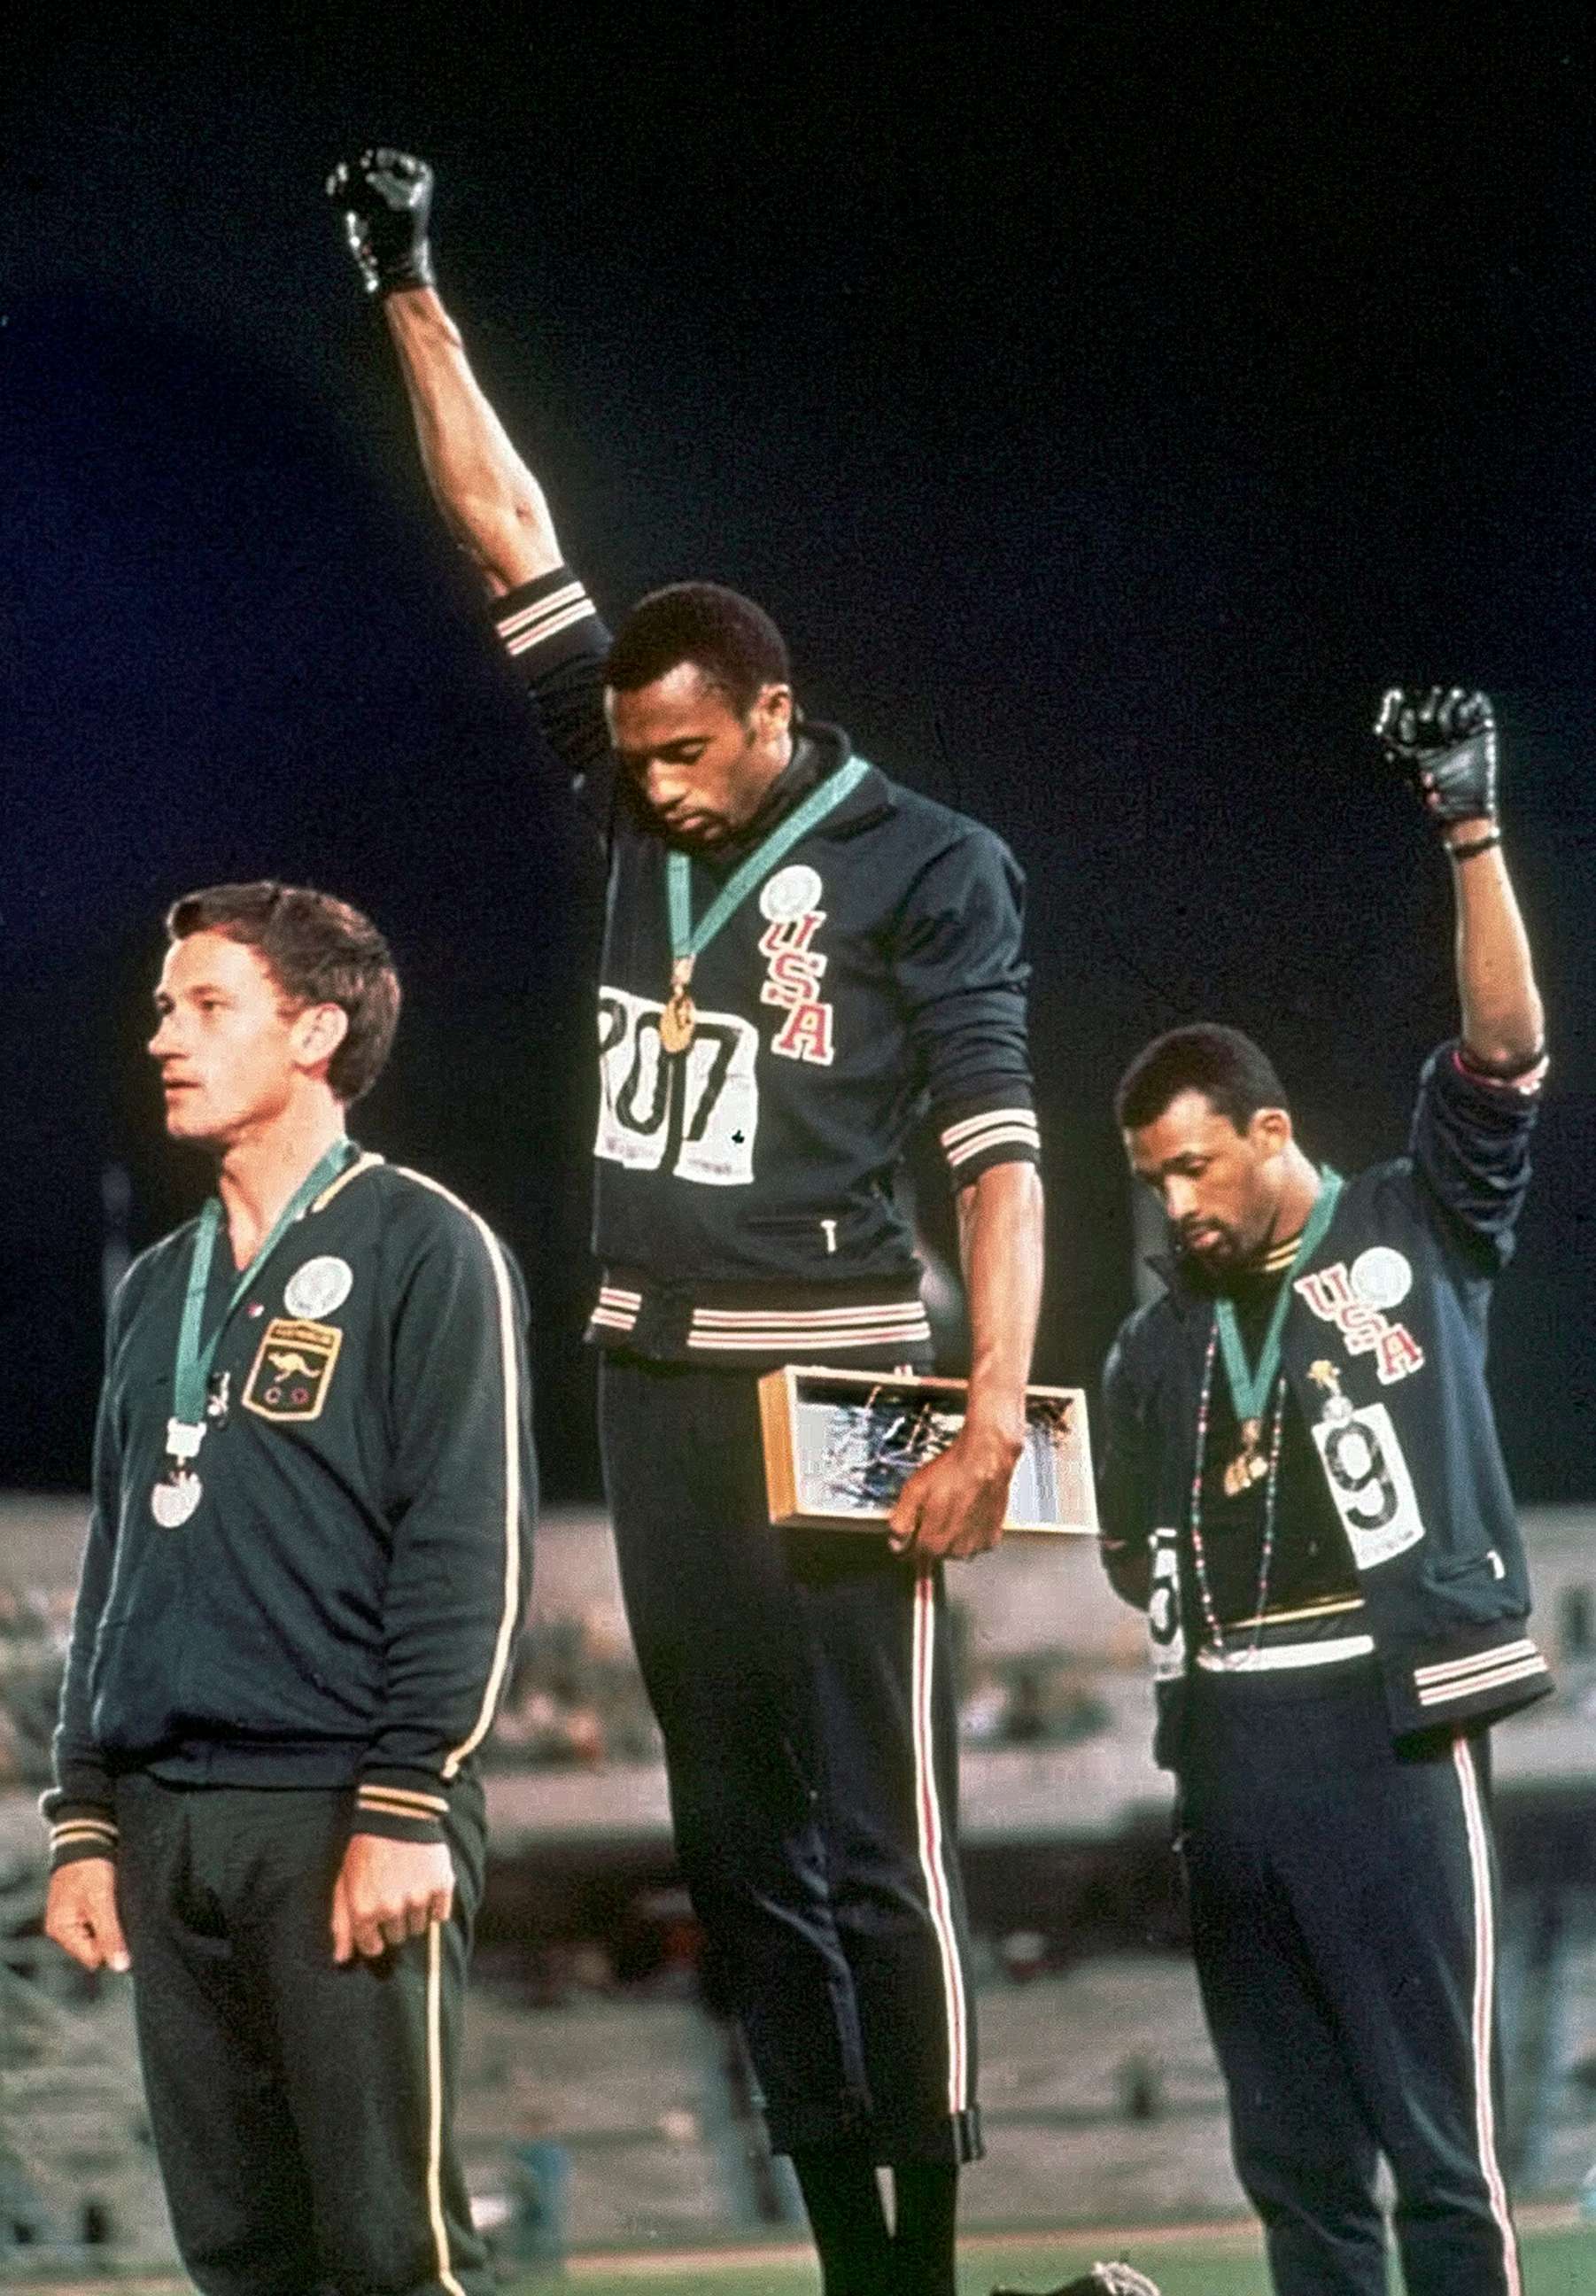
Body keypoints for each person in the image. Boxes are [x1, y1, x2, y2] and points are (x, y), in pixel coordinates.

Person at [328, 150, 1046, 2296]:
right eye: (625, 760)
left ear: (768, 713)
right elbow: (511, 539)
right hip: (651, 1380)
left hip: (839, 1390)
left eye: (679, 756)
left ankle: (923, 2257)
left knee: (877, 1845)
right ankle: (843, 2254)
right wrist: (410, 288)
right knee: (739, 1858)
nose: (643, 789)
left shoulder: (933, 866)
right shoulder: (636, 773)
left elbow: (1000, 1157)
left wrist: (992, 1409)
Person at [1097, 688, 1549, 2296]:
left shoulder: (1405, 1228)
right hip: (1219, 1751)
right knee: (1292, 2172)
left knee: (1437, 2158)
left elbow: (1500, 1055)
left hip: (1383, 1725)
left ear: (1270, 1133)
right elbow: (1114, 1552)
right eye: (1151, 1177)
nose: (1174, 1201)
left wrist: (1468, 826)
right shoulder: (1152, 1348)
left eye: (1194, 1166)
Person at [43, 881, 536, 2296]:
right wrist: (84, 1819)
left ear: (315, 1031)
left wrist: (405, 1800)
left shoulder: (425, 1248)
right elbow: (116, 1562)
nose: (164, 1039)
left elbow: (464, 1549)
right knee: (241, 2257)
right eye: (161, 1009)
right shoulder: (156, 1290)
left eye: (207, 1007)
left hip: (339, 1813)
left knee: (393, 2253)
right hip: (161, 1822)